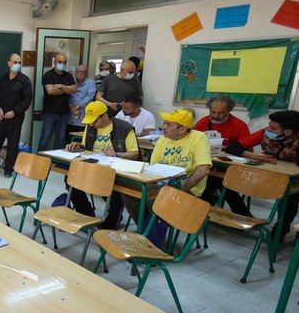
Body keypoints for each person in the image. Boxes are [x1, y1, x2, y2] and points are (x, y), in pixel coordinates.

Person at [122, 109, 212, 225]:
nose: (163, 127)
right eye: (164, 123)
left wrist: (180, 190)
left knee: (157, 201)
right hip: (162, 186)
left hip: (187, 189)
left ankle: (152, 233)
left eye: (169, 124)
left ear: (182, 129)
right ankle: (148, 230)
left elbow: (203, 170)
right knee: (129, 193)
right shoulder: (163, 139)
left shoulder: (199, 138)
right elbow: (152, 169)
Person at [222, 110, 299, 240]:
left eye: (273, 128)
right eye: (269, 125)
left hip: (292, 180)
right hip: (265, 175)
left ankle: (280, 232)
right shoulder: (265, 133)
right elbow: (233, 147)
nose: (268, 129)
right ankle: (243, 216)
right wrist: (253, 155)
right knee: (224, 181)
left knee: (290, 198)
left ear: (288, 132)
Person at [65, 101, 139, 229]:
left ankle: (111, 220)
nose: (92, 124)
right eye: (90, 122)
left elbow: (135, 153)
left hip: (115, 171)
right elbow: (85, 146)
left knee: (115, 189)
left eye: (94, 121)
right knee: (70, 179)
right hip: (94, 167)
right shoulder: (90, 126)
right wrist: (77, 146)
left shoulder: (124, 128)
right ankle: (87, 214)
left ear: (104, 116)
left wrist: (118, 154)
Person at [194, 95, 251, 213]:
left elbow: (249, 151)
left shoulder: (239, 125)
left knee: (217, 181)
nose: (215, 116)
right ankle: (202, 208)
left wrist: (228, 148)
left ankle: (201, 209)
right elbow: (192, 139)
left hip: (227, 166)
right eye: (213, 112)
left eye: (220, 113)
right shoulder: (204, 121)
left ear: (229, 111)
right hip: (206, 162)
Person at [38, 53, 77, 151]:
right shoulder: (48, 75)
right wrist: (66, 89)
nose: (62, 64)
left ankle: (56, 160)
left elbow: (74, 89)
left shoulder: (68, 75)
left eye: (64, 62)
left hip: (64, 112)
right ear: (55, 62)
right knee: (45, 136)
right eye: (60, 62)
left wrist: (60, 85)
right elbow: (50, 91)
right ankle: (40, 158)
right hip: (50, 112)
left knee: (61, 138)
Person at [65, 65, 96, 141]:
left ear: (86, 74)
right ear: (76, 72)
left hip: (83, 118)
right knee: (68, 141)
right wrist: (70, 106)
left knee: (81, 141)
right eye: (79, 71)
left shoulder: (91, 83)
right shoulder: (70, 82)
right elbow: (66, 96)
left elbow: (89, 97)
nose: (81, 73)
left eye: (83, 72)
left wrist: (77, 106)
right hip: (70, 117)